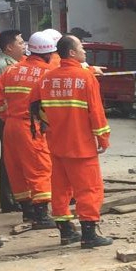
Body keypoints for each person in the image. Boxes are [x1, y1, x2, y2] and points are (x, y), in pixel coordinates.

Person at [31, 34, 112, 249]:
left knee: (60, 189)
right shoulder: (85, 78)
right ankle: (88, 235)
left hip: (56, 145)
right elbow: (96, 112)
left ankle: (66, 231)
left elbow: (34, 105)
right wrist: (103, 138)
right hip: (81, 146)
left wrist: (46, 126)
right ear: (72, 53)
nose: (85, 51)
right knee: (89, 189)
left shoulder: (47, 78)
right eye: (81, 48)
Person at [0, 32, 61, 232]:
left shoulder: (12, 70)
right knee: (39, 168)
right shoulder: (48, 72)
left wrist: (6, 116)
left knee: (17, 170)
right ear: (48, 54)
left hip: (11, 127)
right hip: (31, 127)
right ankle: (41, 216)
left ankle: (28, 212)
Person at [0, 29, 27, 213]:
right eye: (20, 43)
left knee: (15, 158)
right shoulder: (5, 65)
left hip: (11, 117)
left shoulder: (16, 63)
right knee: (8, 159)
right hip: (8, 117)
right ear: (9, 47)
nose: (24, 46)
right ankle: (9, 200)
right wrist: (6, 117)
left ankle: (16, 198)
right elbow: (2, 96)